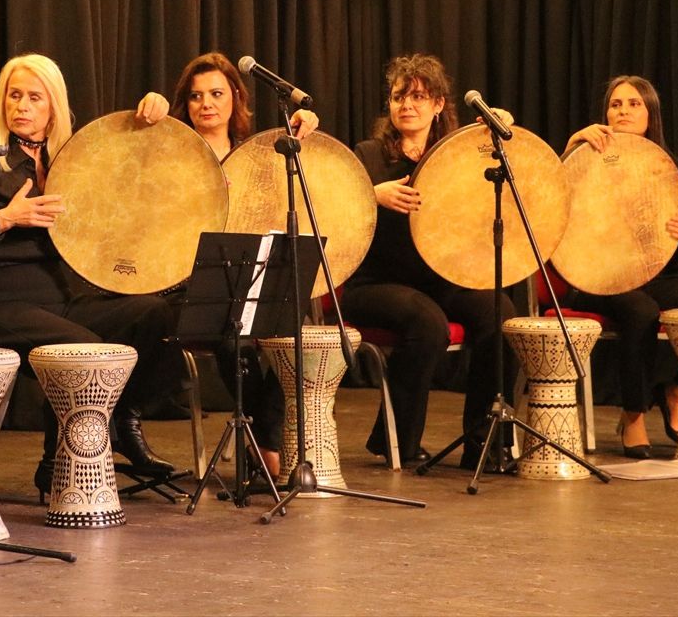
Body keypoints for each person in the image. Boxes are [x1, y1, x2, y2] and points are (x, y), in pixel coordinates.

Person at [0, 53, 178, 499]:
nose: (23, 106)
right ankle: (56, 463)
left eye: (35, 97)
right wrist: (4, 219)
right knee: (86, 351)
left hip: (66, 296)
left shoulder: (74, 162)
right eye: (15, 95)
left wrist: (153, 113)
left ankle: (124, 422)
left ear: (53, 106)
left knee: (152, 313)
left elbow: (134, 161)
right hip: (4, 302)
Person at [137, 51, 319, 479]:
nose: (207, 104)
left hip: (247, 274)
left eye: (217, 93)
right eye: (197, 96)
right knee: (234, 337)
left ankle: (262, 436)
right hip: (185, 283)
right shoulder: (170, 155)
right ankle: (266, 446)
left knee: (304, 330)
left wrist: (306, 126)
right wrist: (148, 108)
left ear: (236, 98)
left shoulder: (258, 156)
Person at [339, 53, 516, 469]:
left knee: (499, 313)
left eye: (419, 96)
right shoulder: (367, 155)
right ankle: (396, 440)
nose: (407, 104)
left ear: (438, 105)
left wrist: (498, 129)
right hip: (375, 284)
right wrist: (373, 196)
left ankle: (483, 444)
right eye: (400, 95)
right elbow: (335, 212)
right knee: (428, 323)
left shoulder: (456, 155)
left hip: (440, 278)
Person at [564, 75, 678, 458]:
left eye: (633, 103)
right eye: (615, 104)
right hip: (599, 276)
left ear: (650, 114)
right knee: (640, 311)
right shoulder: (586, 153)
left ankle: (675, 387)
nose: (623, 110)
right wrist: (571, 146)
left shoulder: (666, 164)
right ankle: (634, 415)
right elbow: (549, 205)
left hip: (658, 275)